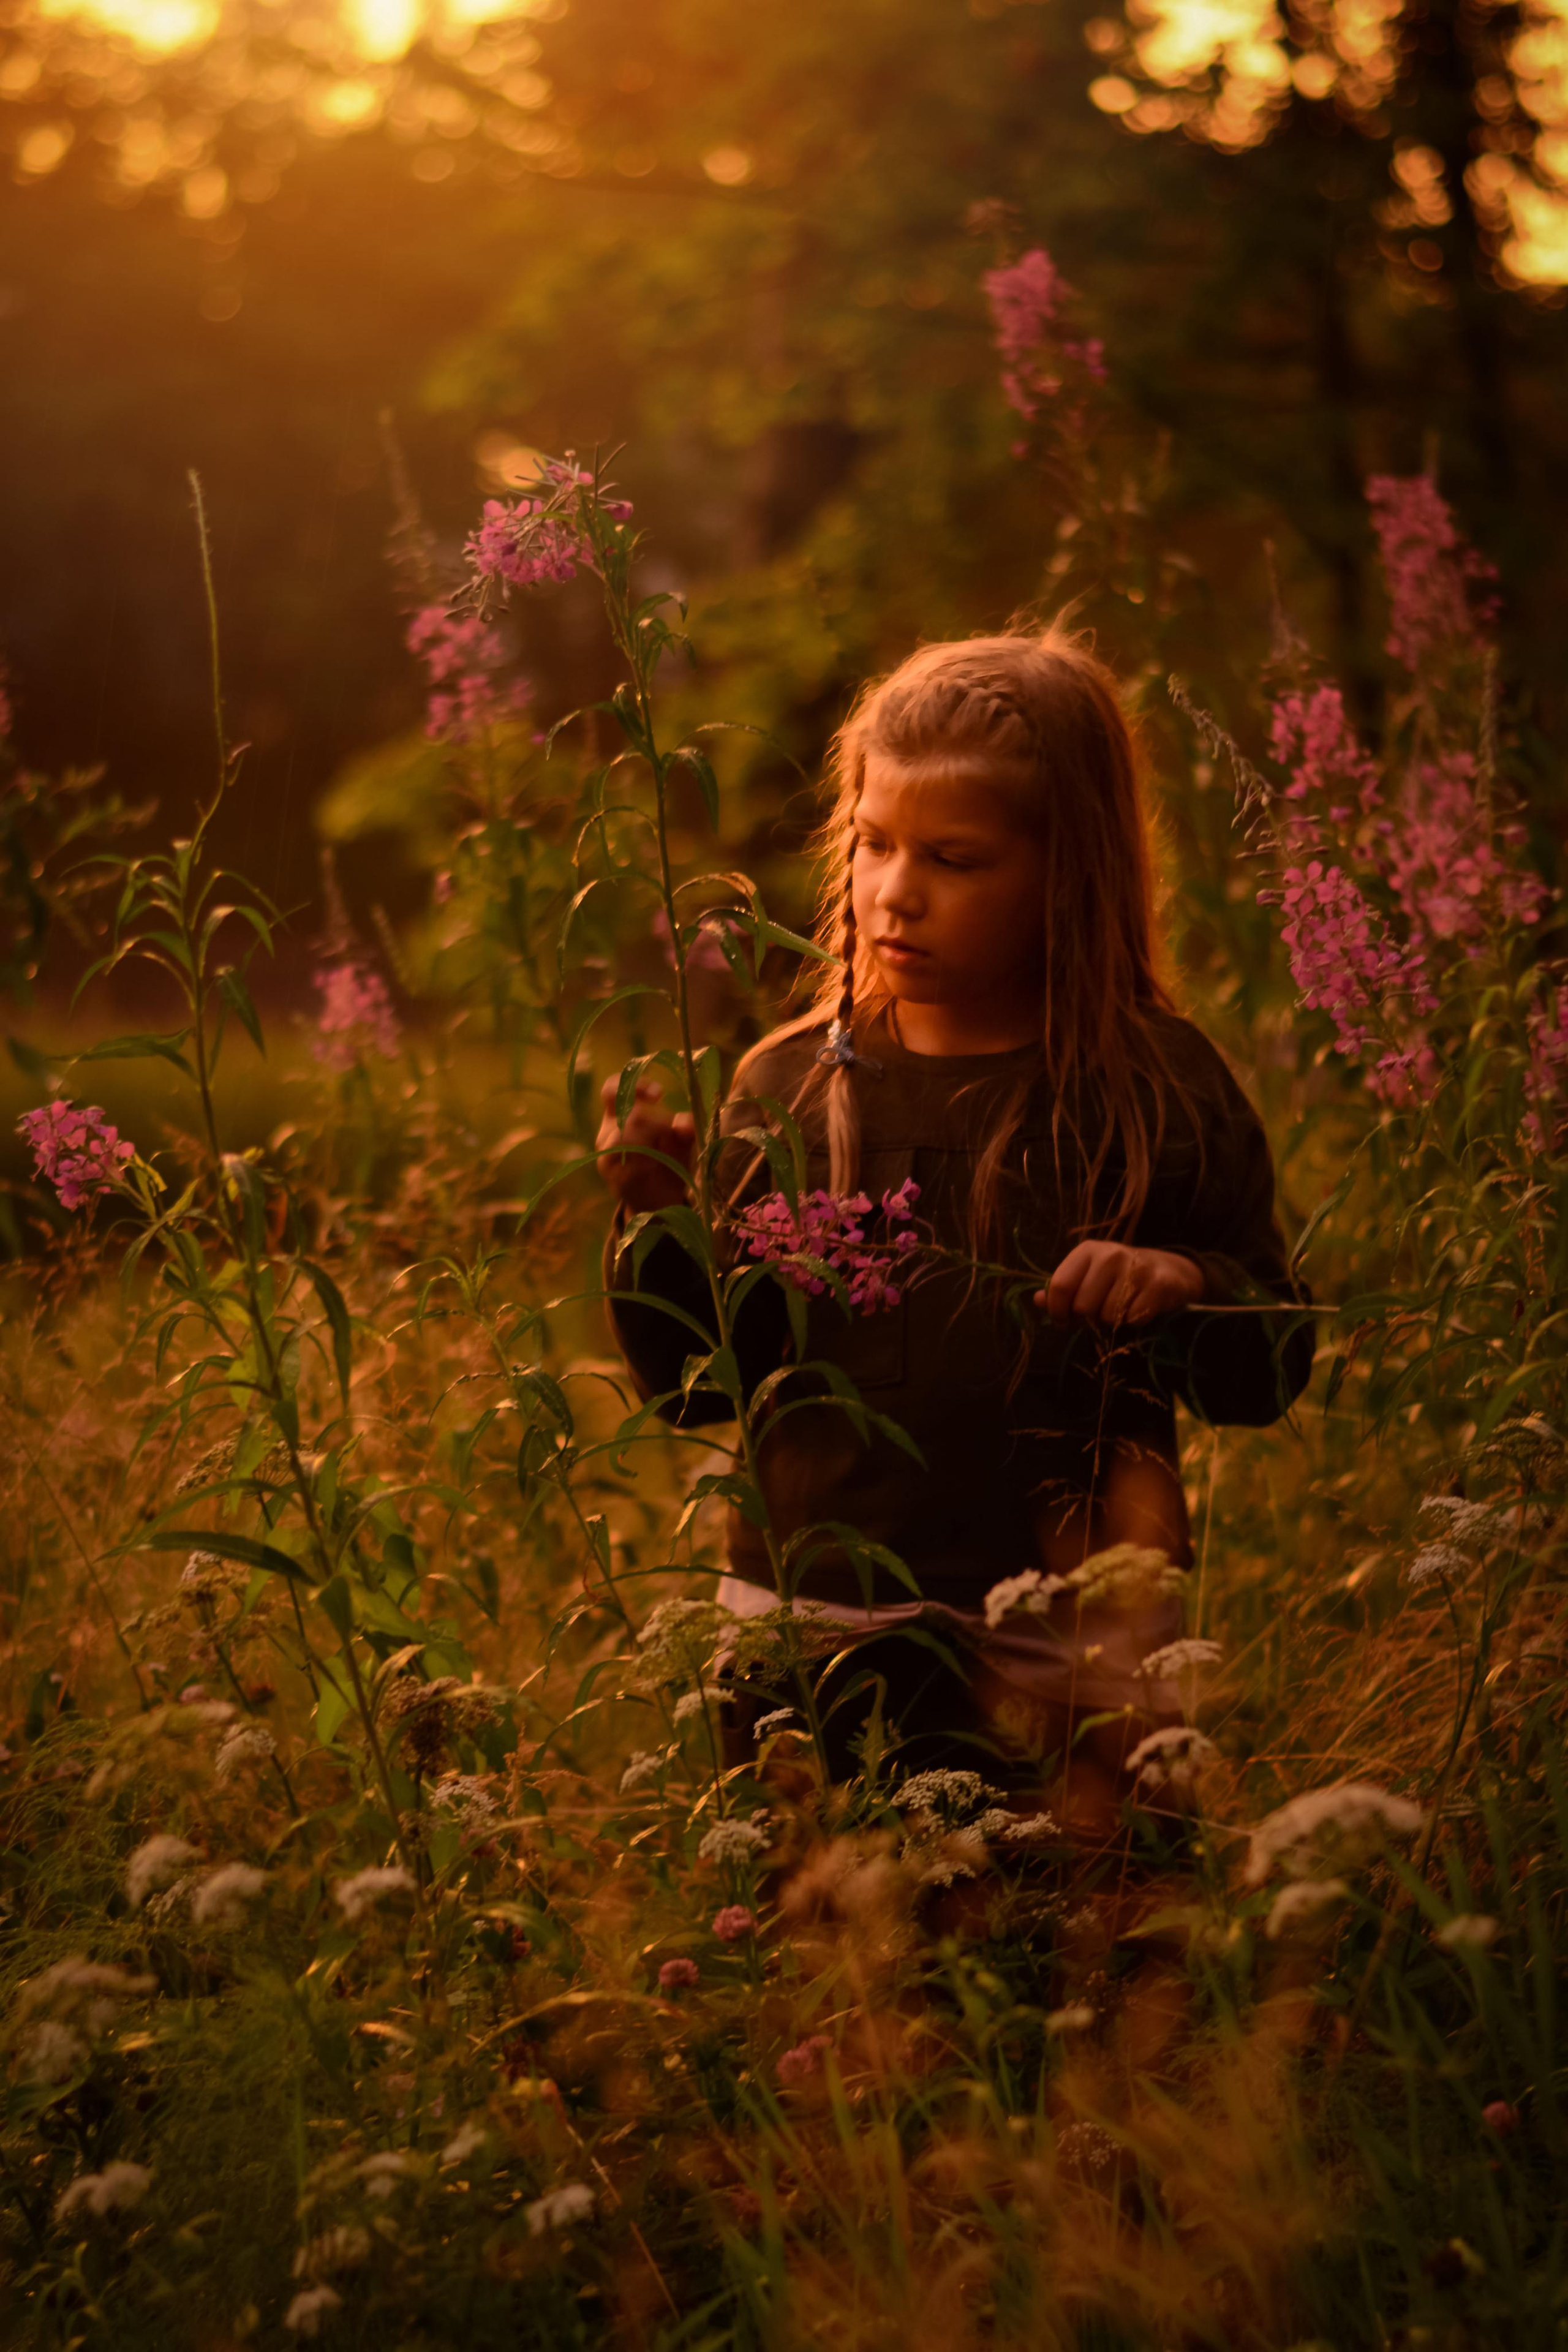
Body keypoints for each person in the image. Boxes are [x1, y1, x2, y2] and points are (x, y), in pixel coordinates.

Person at [595, 630, 1314, 1840]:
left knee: (1083, 1977)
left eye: (954, 857)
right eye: (872, 843)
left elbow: (1270, 1361)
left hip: (1070, 1651)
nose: (894, 889)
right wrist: (653, 1216)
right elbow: (694, 1382)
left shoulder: (1151, 1093)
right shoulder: (791, 1090)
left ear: (1066, 874)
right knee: (837, 1996)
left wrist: (1179, 1282)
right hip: (807, 1634)